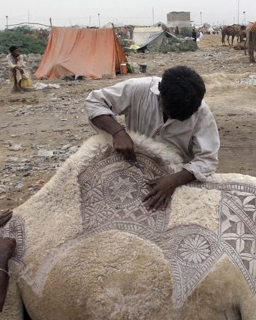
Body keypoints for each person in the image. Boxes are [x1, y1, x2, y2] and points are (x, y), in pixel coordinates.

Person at [84, 65, 220, 211]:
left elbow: (207, 159)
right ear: (159, 90)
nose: (171, 118)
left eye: (179, 119)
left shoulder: (201, 111)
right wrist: (118, 132)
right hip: (134, 167)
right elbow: (94, 102)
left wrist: (175, 180)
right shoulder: (138, 89)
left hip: (178, 175)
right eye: (168, 113)